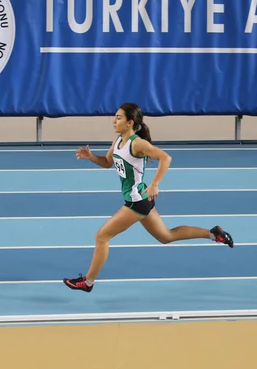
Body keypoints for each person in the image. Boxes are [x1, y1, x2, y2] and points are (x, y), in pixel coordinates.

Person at [63, 102, 234, 293]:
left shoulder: (138, 144)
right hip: (141, 199)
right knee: (166, 236)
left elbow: (166, 158)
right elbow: (107, 162)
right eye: (115, 116)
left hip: (137, 201)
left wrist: (154, 184)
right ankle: (213, 233)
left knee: (102, 236)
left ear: (130, 122)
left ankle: (87, 282)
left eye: (118, 117)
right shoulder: (118, 141)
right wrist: (91, 156)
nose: (114, 120)